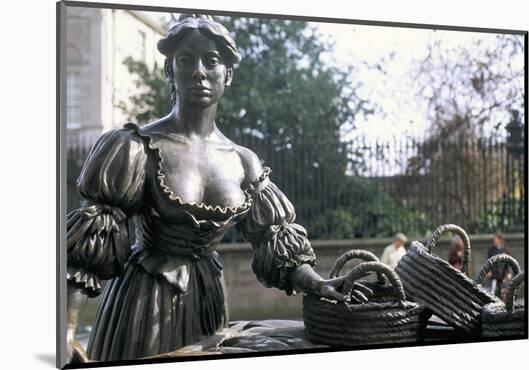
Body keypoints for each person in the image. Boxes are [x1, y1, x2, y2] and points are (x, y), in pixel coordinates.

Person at [65, 14, 347, 363]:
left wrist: (315, 282)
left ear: (227, 74)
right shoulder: (133, 147)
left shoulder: (244, 162)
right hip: (142, 301)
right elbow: (87, 249)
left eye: (211, 60)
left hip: (210, 299)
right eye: (185, 60)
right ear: (170, 71)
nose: (198, 71)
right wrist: (65, 329)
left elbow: (274, 241)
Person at [485, 233, 512, 299]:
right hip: (494, 274)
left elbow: (508, 263)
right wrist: (488, 271)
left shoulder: (505, 250)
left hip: (502, 275)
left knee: (503, 292)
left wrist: (508, 272)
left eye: (495, 240)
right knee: (492, 292)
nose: (494, 241)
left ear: (499, 240)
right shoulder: (491, 249)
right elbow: (488, 261)